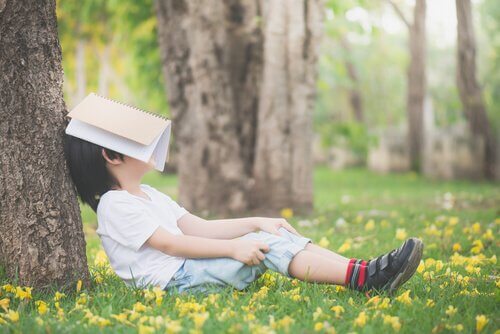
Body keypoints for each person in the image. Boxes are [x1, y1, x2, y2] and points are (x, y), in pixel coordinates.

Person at [64, 134, 424, 296]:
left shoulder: (148, 195)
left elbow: (199, 227)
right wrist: (235, 248)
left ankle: (365, 272)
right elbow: (172, 245)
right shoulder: (115, 204)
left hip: (185, 270)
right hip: (173, 283)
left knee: (275, 236)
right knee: (263, 246)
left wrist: (256, 221)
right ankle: (364, 279)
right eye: (133, 141)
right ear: (112, 156)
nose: (148, 144)